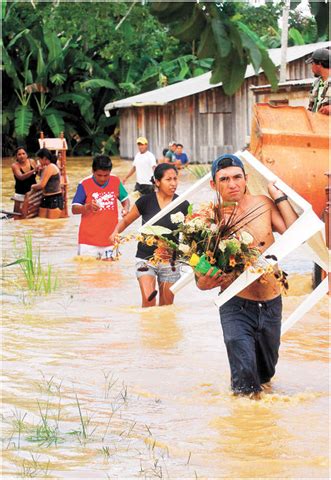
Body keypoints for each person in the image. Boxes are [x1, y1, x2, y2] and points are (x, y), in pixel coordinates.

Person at [195, 154, 298, 398]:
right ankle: (243, 427)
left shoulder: (263, 204)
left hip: (272, 303)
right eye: (224, 179)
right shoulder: (208, 221)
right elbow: (200, 279)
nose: (232, 184)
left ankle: (262, 429)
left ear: (246, 179)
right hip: (235, 306)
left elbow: (295, 233)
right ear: (213, 185)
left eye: (237, 177)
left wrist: (278, 195)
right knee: (245, 384)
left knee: (265, 376)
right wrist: (207, 281)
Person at [110, 164, 189, 307]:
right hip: (146, 258)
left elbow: (192, 232)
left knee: (166, 306)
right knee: (148, 299)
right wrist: (116, 232)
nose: (173, 183)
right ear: (157, 182)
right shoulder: (145, 201)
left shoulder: (182, 204)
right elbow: (127, 220)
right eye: (168, 179)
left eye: (175, 179)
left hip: (170, 261)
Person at [72, 154, 130, 260]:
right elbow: (74, 209)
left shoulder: (115, 181)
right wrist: (87, 207)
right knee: (88, 274)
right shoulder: (84, 184)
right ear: (92, 171)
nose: (103, 179)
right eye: (99, 175)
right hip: (88, 242)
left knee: (110, 274)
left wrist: (126, 209)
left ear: (110, 172)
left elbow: (125, 200)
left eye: (106, 175)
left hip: (111, 239)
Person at [31, 148, 63, 219]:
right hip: (46, 197)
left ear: (44, 158)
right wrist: (39, 171)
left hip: (54, 198)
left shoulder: (51, 167)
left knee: (51, 226)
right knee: (42, 223)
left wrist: (32, 186)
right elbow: (43, 177)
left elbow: (42, 185)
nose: (38, 161)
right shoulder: (46, 168)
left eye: (39, 159)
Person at [11, 147, 39, 213]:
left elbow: (38, 173)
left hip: (33, 192)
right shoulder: (15, 165)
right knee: (17, 215)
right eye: (19, 154)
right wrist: (33, 170)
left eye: (23, 153)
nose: (22, 156)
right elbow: (21, 177)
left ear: (27, 155)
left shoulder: (32, 161)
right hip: (20, 193)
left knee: (33, 213)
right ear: (16, 157)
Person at [305, 48, 330, 115]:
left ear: (319, 64)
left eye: (312, 63)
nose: (311, 67)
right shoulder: (316, 84)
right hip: (317, 122)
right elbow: (311, 107)